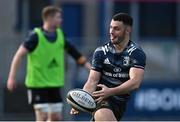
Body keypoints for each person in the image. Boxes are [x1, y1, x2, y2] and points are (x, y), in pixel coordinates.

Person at [7, 6, 91, 121]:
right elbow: (18, 55)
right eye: (58, 17)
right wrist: (11, 77)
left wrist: (91, 69)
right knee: (43, 116)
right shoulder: (35, 37)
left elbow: (76, 54)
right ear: (49, 18)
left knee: (56, 117)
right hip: (37, 84)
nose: (61, 20)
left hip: (54, 84)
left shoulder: (60, 35)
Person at [71, 13, 146, 121]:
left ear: (128, 30)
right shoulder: (101, 52)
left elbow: (135, 82)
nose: (111, 32)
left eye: (116, 29)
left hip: (119, 104)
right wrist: (81, 99)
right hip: (100, 99)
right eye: (110, 27)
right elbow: (92, 81)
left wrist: (111, 91)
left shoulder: (136, 53)